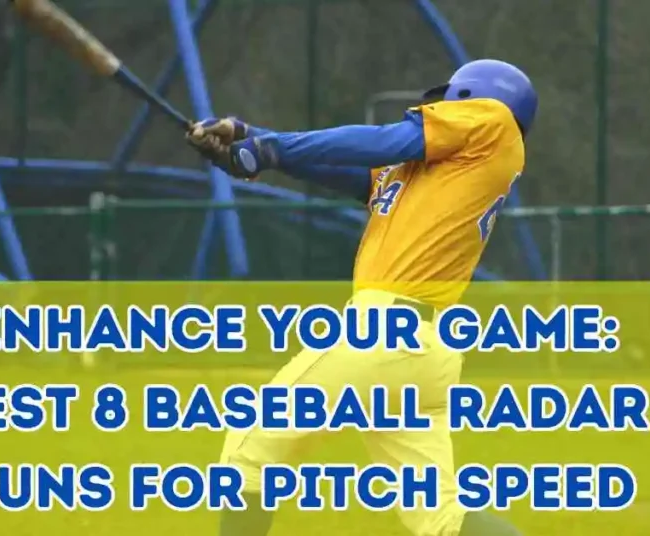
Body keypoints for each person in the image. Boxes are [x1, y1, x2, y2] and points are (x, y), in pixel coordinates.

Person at [185, 59, 534, 536]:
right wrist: (250, 137)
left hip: (385, 334)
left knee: (248, 452)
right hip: (426, 350)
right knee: (441, 517)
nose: (436, 109)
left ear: (470, 97)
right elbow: (349, 167)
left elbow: (387, 139)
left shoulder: (491, 121)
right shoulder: (433, 173)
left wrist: (271, 147)